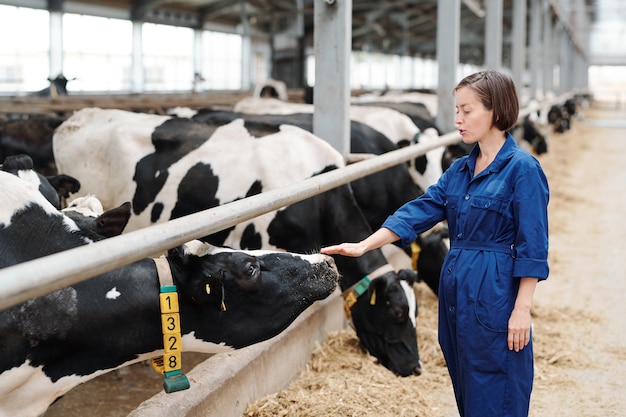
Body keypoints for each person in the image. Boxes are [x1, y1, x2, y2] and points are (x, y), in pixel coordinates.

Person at [321, 70, 549, 417]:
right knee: (467, 383)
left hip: (495, 291)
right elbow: (417, 212)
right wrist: (365, 245)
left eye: (467, 110)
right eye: (456, 109)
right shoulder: (459, 170)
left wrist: (522, 309)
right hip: (456, 292)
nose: (457, 119)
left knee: (498, 385)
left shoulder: (522, 170)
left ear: (496, 111)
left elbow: (533, 245)